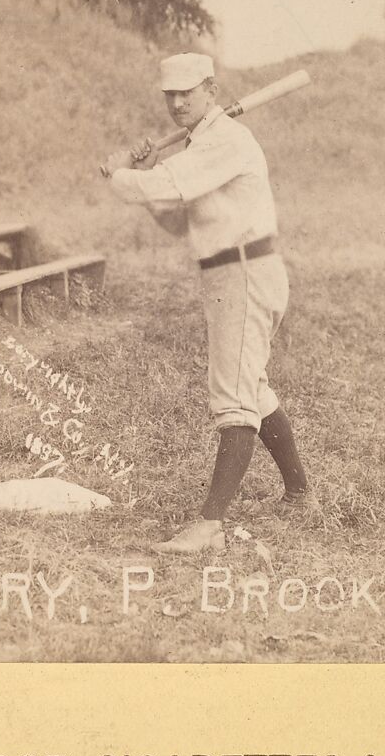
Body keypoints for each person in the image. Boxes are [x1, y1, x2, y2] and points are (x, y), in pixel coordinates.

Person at [102, 52, 308, 553]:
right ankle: (300, 492)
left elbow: (165, 187)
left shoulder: (225, 140)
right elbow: (175, 218)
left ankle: (210, 525)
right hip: (227, 273)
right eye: (169, 94)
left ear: (211, 91)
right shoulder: (196, 148)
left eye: (187, 92)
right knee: (249, 383)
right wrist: (145, 172)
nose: (176, 102)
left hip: (245, 271)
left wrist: (120, 176)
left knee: (233, 394)